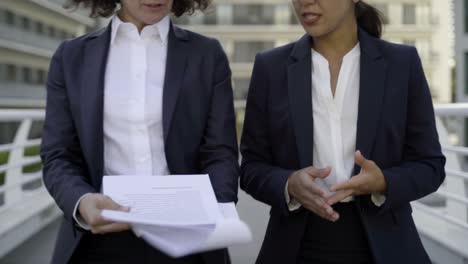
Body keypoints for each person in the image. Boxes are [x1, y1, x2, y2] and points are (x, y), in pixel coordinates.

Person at [240, 0, 446, 263]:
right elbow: (250, 167)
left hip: (386, 246)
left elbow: (430, 165)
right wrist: (289, 184)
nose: (304, 2)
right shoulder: (270, 68)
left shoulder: (402, 64)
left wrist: (382, 182)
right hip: (295, 247)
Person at [40, 0, 239, 263]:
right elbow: (58, 154)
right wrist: (81, 200)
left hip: (190, 240)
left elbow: (221, 152)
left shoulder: (207, 54)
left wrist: (217, 209)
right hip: (98, 242)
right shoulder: (71, 56)